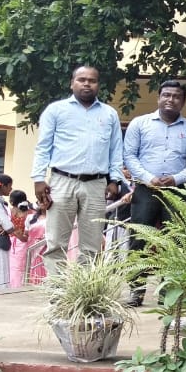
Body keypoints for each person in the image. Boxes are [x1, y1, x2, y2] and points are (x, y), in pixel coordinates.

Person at [31, 65, 125, 276]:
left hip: (96, 185)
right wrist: (38, 178)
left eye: (92, 80)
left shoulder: (109, 114)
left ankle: (84, 290)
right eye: (81, 79)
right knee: (56, 242)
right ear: (71, 83)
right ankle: (58, 290)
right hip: (61, 181)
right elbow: (43, 147)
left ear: (98, 85)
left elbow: (116, 150)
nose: (86, 84)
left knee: (92, 244)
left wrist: (115, 180)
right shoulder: (56, 110)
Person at [123, 80, 186, 305]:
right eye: (166, 95)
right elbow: (129, 156)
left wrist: (177, 178)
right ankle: (136, 290)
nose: (170, 99)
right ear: (158, 97)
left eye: (176, 96)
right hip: (145, 189)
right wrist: (149, 178)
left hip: (177, 191)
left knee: (174, 241)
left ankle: (168, 293)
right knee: (140, 239)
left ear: (183, 101)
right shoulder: (139, 123)